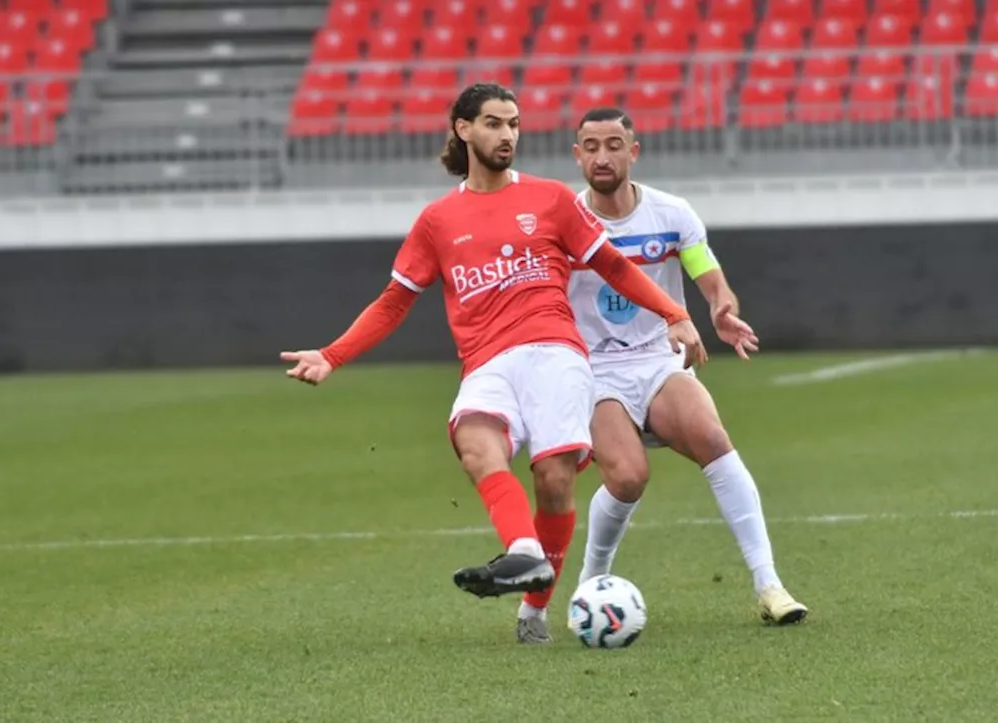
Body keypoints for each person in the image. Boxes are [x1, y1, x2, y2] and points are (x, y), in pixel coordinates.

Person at [280, 84, 708, 644]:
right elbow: (394, 301)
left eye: (513, 124)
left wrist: (674, 311)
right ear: (463, 129)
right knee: (476, 443)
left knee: (553, 482)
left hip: (557, 353)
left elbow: (613, 266)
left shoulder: (553, 200)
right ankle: (525, 551)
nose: (506, 135)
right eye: (492, 123)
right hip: (487, 362)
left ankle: (533, 609)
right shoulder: (438, 220)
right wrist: (333, 355)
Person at [567, 107, 809, 626]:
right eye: (591, 146)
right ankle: (591, 583)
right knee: (629, 478)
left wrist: (720, 308)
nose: (602, 156)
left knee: (714, 439)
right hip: (594, 371)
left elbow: (709, 277)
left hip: (658, 359)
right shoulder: (562, 222)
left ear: (634, 152)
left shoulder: (671, 213)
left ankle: (770, 584)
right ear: (577, 155)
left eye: (613, 145)